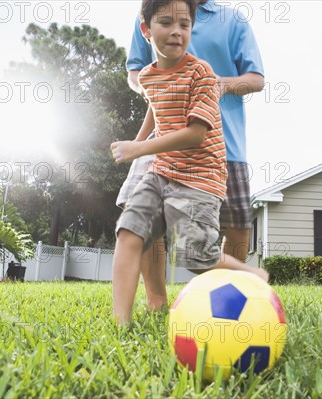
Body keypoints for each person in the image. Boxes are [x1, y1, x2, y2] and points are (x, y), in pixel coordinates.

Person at [111, 0, 267, 325]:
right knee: (131, 226)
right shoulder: (150, 54)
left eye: (183, 26)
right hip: (161, 158)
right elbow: (146, 89)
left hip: (210, 159)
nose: (176, 31)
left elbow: (252, 81)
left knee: (210, 244)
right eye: (166, 24)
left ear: (190, 28)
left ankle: (241, 282)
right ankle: (132, 316)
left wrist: (209, 87)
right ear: (148, 28)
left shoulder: (220, 40)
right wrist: (140, 143)